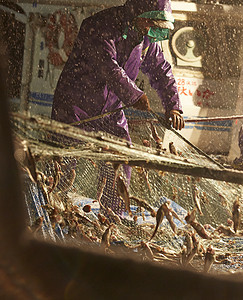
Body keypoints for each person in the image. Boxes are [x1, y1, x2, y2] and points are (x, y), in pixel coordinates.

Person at [51, 0, 184, 216]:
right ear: (137, 12)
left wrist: (173, 107)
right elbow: (109, 68)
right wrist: (135, 96)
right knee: (64, 158)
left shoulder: (146, 40)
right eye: (150, 21)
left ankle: (112, 216)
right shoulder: (101, 26)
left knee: (120, 160)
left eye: (156, 24)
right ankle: (55, 207)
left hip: (112, 110)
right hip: (76, 104)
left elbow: (162, 71)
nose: (151, 28)